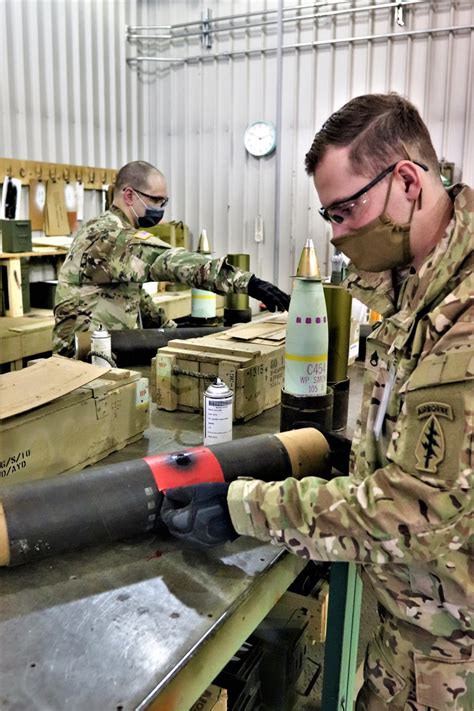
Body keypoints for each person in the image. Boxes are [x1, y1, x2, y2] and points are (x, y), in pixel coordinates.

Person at [161, 94, 473, 709]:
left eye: (345, 209)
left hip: (447, 651)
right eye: (328, 213)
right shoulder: (417, 284)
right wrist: (356, 457)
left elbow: (418, 511)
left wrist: (245, 507)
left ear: (406, 181)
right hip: (412, 619)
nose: (334, 232)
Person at [52, 160, 289, 357]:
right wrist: (247, 283)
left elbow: (130, 293)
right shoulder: (109, 236)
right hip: (80, 359)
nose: (161, 208)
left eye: (164, 202)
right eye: (156, 200)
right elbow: (168, 260)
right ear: (129, 195)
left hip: (103, 350)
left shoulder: (111, 232)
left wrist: (170, 330)